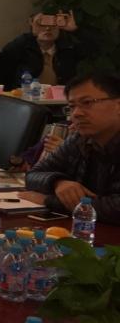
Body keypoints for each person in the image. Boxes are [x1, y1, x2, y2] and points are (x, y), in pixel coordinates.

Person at [27, 72, 120, 223]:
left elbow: (116, 208)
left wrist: (48, 200)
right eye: (72, 106)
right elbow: (33, 174)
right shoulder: (79, 139)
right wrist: (58, 182)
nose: (76, 114)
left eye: (87, 103)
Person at [1, 12, 89, 89]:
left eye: (53, 24)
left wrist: (75, 30)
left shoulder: (67, 48)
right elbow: (7, 52)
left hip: (60, 98)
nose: (47, 28)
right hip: (28, 98)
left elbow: (92, 48)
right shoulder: (24, 47)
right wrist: (33, 33)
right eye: (41, 24)